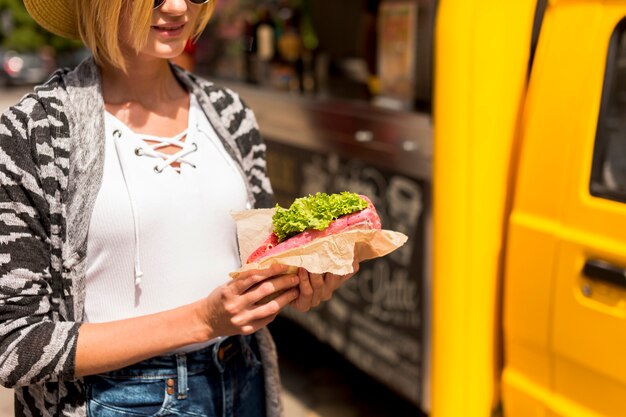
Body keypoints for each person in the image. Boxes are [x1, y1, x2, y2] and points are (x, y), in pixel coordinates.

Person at [0, 0, 357, 416]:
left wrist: (301, 278)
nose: (175, 7)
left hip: (243, 376)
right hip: (113, 399)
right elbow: (16, 345)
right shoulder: (32, 131)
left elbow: (264, 258)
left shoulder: (229, 112)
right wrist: (203, 321)